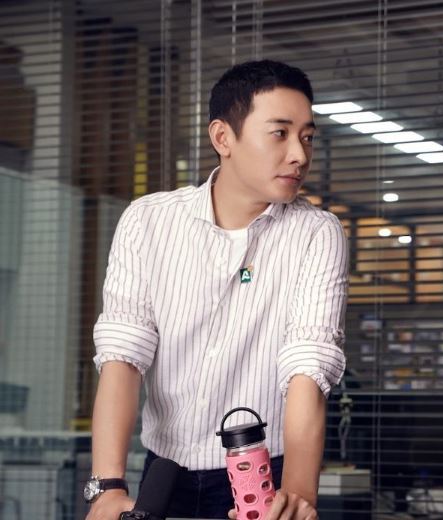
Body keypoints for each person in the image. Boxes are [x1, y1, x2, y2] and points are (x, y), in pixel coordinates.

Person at [85, 59, 348, 520]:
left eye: (307, 137)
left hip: (262, 476)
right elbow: (122, 356)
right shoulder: (148, 220)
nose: (299, 154)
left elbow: (309, 367)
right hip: (164, 472)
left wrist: (297, 495)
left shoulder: (316, 232)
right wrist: (106, 487)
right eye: (280, 133)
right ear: (223, 137)